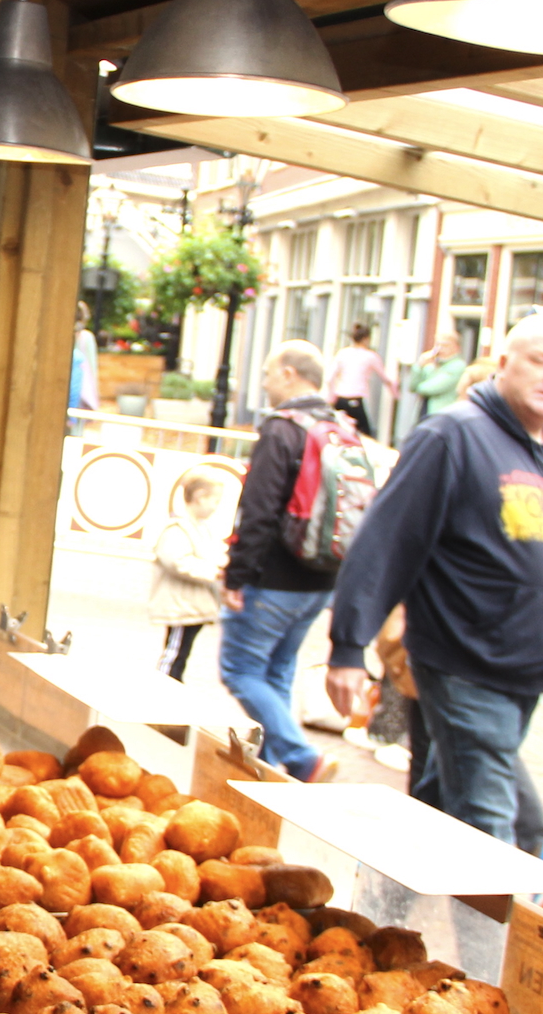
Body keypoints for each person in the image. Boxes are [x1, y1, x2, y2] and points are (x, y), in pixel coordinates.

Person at [325, 313, 543, 844]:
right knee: (489, 823)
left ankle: (394, 908)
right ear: (505, 363)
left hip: (529, 668)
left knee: (441, 797)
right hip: (468, 659)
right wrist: (348, 646)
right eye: (541, 361)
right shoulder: (452, 437)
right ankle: (519, 908)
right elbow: (385, 541)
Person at [220, 340, 342, 782]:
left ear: (290, 374)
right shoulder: (337, 429)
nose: (265, 382)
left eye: (269, 373)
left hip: (273, 577)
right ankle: (266, 768)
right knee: (276, 671)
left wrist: (237, 575)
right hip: (320, 579)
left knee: (239, 668)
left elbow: (258, 509)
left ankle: (300, 756)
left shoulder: (282, 429)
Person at [150, 469, 229, 682]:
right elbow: (177, 562)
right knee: (174, 652)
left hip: (193, 605)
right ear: (200, 497)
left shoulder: (203, 528)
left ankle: (172, 684)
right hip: (181, 605)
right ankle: (160, 686)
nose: (216, 507)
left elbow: (215, 553)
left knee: (181, 652)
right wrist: (213, 571)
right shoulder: (177, 528)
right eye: (215, 500)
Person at [324, 321, 398, 438]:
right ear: (366, 339)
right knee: (364, 434)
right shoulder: (370, 356)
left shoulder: (343, 353)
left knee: (336, 431)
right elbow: (386, 378)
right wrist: (395, 394)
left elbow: (329, 378)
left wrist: (331, 397)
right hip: (356, 399)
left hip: (340, 398)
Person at [407, 330, 466, 422]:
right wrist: (419, 366)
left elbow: (430, 389)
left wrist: (421, 383)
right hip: (423, 413)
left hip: (440, 418)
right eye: (437, 345)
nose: (440, 349)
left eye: (445, 346)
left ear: (457, 348)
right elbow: (412, 387)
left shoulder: (458, 366)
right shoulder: (432, 365)